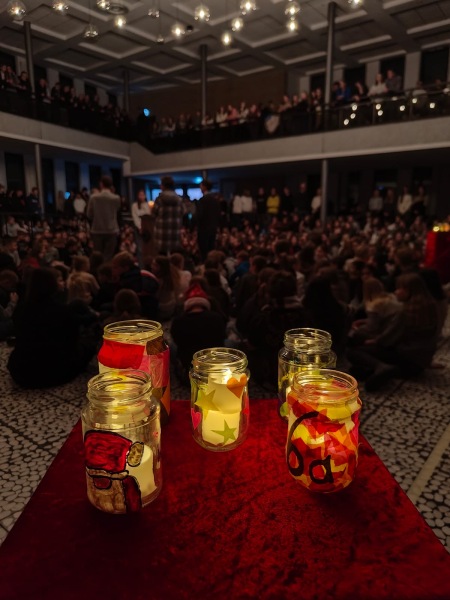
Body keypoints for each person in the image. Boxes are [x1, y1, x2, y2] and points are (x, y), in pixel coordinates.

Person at [7, 268, 96, 388]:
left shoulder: (21, 309)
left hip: (21, 371)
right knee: (89, 344)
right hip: (53, 373)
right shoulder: (61, 311)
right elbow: (71, 343)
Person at [170, 283, 226, 379]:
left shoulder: (178, 321)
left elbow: (176, 341)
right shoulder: (217, 318)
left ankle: (181, 370)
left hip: (189, 363)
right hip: (212, 364)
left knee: (170, 346)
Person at [86, 175, 121, 262]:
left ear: (101, 184)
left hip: (97, 230)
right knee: (108, 256)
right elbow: (117, 211)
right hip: (111, 230)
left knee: (97, 256)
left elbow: (89, 214)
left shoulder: (94, 197)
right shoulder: (116, 198)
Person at [152, 176, 184, 255]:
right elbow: (183, 212)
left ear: (163, 186)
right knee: (174, 257)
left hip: (161, 233)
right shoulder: (179, 199)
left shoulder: (159, 199)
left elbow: (153, 213)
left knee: (162, 257)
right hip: (175, 232)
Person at [196, 180, 220, 259]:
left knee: (204, 251)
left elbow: (199, 215)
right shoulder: (215, 200)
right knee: (211, 249)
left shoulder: (202, 200)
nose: (200, 187)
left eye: (201, 186)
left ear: (204, 187)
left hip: (203, 228)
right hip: (213, 228)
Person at [131, 189, 151, 267]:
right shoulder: (135, 205)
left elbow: (148, 216)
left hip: (147, 229)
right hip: (138, 228)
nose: (142, 196)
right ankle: (141, 265)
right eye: (140, 195)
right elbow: (135, 217)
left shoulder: (147, 205)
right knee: (140, 248)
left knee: (147, 247)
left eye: (143, 195)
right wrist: (139, 227)